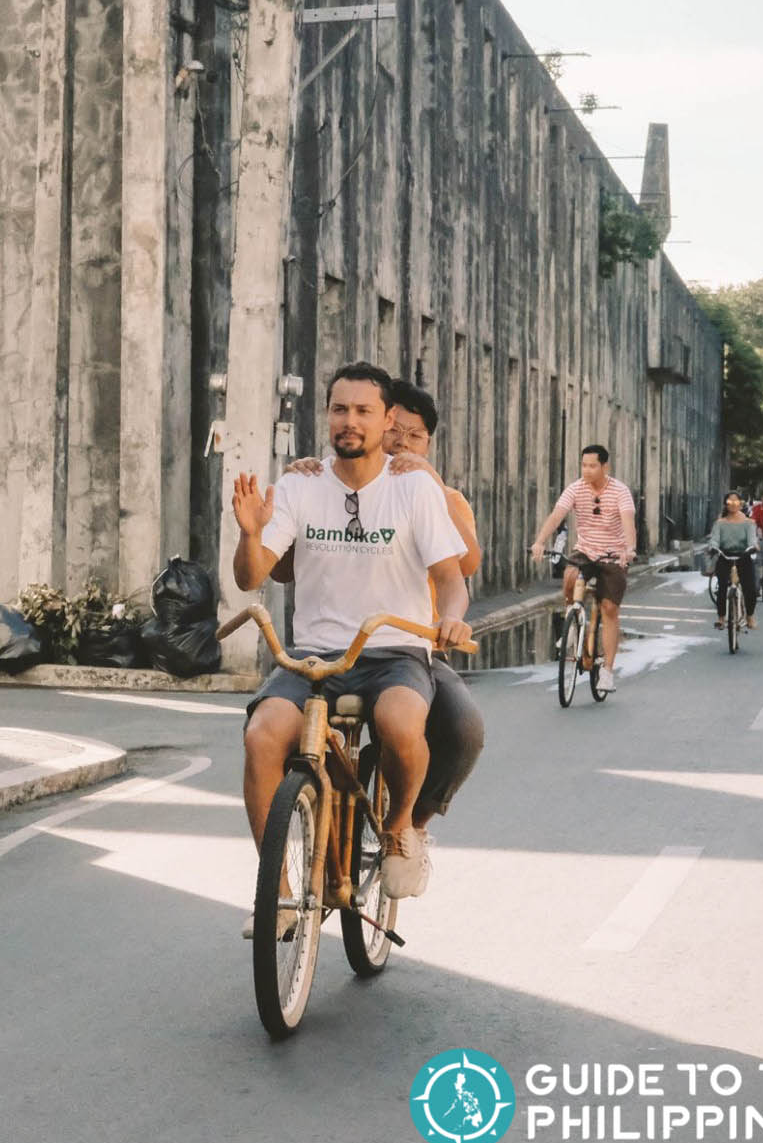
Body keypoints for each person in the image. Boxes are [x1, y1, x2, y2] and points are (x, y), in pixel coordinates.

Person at [231, 362, 472, 938]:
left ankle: (398, 829)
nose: (349, 421)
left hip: (394, 652)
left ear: (387, 420)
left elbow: (453, 578)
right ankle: (280, 899)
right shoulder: (299, 484)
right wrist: (247, 533)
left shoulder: (414, 486)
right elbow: (250, 578)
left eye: (364, 411)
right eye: (340, 409)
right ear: (327, 415)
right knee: (263, 735)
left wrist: (454, 621)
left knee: (400, 721)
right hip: (314, 656)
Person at [272, 379, 485, 833]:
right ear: (382, 427)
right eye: (397, 432)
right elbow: (285, 565)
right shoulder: (332, 482)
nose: (403, 443)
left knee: (463, 729)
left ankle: (412, 827)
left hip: (413, 646)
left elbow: (464, 565)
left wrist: (431, 482)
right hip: (331, 646)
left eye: (416, 436)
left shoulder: (433, 494)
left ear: (429, 443)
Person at [527, 445, 637, 693]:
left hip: (613, 555)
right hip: (586, 551)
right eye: (584, 465)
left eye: (592, 466)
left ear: (604, 467)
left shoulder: (620, 491)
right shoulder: (576, 488)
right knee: (570, 576)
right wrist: (540, 541)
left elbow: (629, 523)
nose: (586, 470)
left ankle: (607, 672)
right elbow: (557, 515)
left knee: (609, 609)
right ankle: (572, 624)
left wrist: (629, 549)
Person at [706, 493, 758, 628]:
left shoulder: (749, 523)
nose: (733, 504)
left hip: (744, 556)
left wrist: (753, 547)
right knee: (722, 586)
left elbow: (752, 539)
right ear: (725, 504)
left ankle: (750, 616)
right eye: (730, 501)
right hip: (725, 556)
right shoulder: (720, 523)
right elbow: (714, 539)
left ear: (741, 503)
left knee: (751, 589)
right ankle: (721, 617)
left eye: (736, 501)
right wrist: (713, 547)